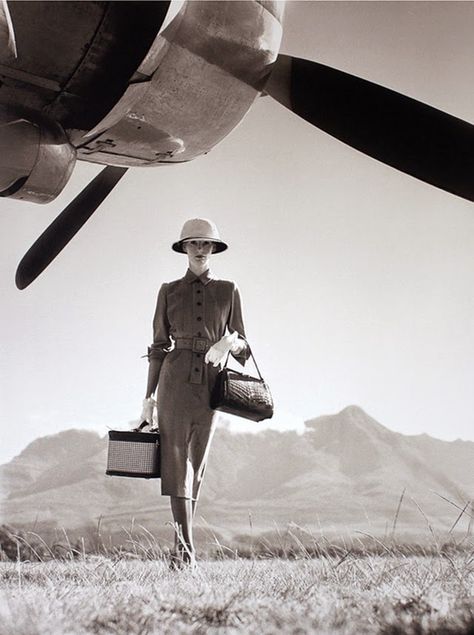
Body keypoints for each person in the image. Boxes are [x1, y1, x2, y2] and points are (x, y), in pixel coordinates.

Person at [140, 218, 249, 568]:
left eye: (206, 243)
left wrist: (229, 342)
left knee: (196, 464)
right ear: (184, 248)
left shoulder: (229, 289)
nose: (200, 249)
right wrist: (148, 398)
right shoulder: (168, 290)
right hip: (173, 379)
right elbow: (158, 346)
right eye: (193, 243)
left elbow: (246, 348)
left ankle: (179, 548)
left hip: (212, 382)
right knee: (174, 459)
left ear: (214, 248)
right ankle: (186, 549)